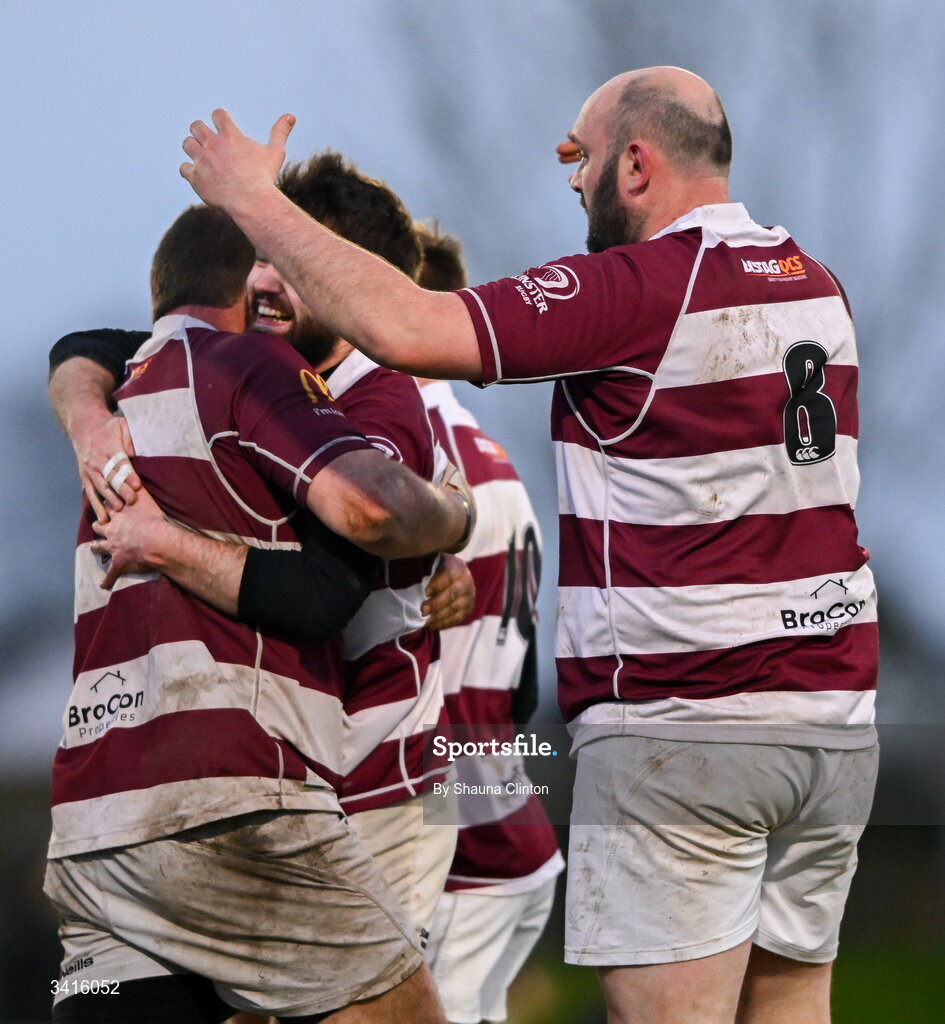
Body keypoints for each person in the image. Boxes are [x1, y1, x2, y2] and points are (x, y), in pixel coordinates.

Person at [177, 64, 880, 1024]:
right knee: (794, 1009)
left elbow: (407, 326)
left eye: (579, 157)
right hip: (832, 724)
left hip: (685, 722)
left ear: (636, 164)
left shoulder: (638, 287)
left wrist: (252, 199)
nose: (569, 180)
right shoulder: (818, 285)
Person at [45, 203, 467, 1023]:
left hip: (94, 827)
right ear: (256, 283)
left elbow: (77, 351)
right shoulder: (251, 368)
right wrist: (453, 516)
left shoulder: (125, 392)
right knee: (404, 1009)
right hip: (235, 797)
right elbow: (334, 574)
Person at [415, 223, 565, 1024]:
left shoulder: (408, 454)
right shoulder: (489, 454)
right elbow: (521, 687)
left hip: (459, 848)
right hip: (505, 823)